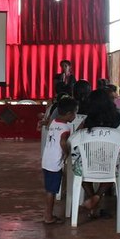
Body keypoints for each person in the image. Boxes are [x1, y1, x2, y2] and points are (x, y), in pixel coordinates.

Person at [70, 88, 120, 218]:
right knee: (116, 168)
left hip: (88, 163)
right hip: (110, 164)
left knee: (78, 167)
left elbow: (74, 138)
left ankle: (91, 196)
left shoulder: (88, 121)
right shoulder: (118, 119)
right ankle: (97, 196)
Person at [41, 96, 77, 224]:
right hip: (55, 162)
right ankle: (48, 216)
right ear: (68, 114)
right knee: (52, 190)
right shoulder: (66, 128)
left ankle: (47, 214)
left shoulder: (54, 122)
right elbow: (62, 142)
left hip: (47, 159)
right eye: (75, 113)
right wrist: (67, 152)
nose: (75, 116)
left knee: (49, 189)